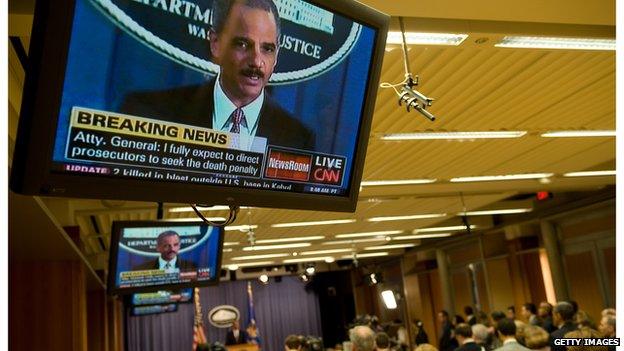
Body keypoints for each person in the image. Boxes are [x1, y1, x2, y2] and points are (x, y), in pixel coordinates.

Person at [119, 0, 315, 151]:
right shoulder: (148, 112)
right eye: (243, 44)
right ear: (216, 43)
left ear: (277, 54)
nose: (256, 61)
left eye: (267, 49)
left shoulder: (299, 139)